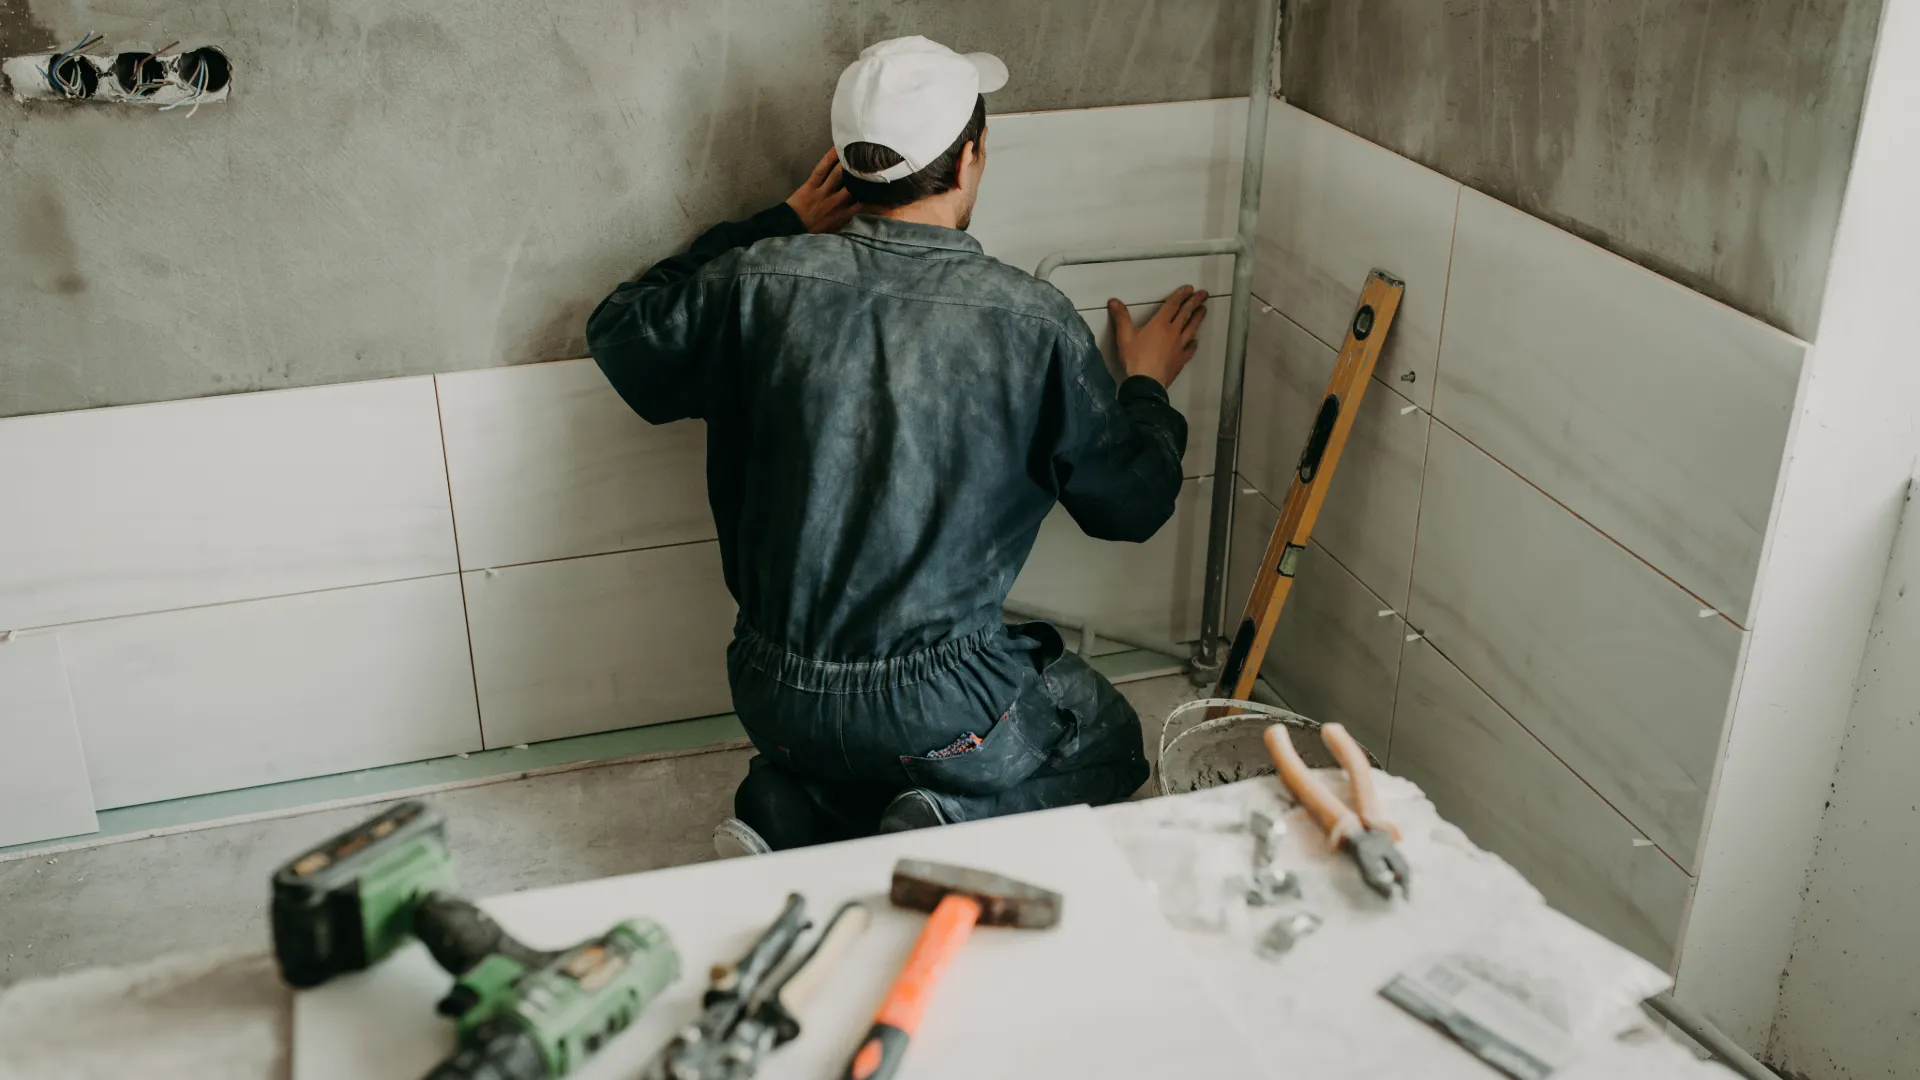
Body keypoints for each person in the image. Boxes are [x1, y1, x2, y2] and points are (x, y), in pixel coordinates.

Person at [586, 36, 1207, 854]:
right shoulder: (1029, 321)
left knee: (862, 740)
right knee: (1107, 738)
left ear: (847, 166)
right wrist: (1145, 388)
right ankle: (950, 817)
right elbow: (1132, 505)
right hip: (939, 707)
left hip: (772, 691)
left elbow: (621, 332)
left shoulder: (758, 282)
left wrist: (779, 222)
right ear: (974, 155)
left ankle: (790, 804)